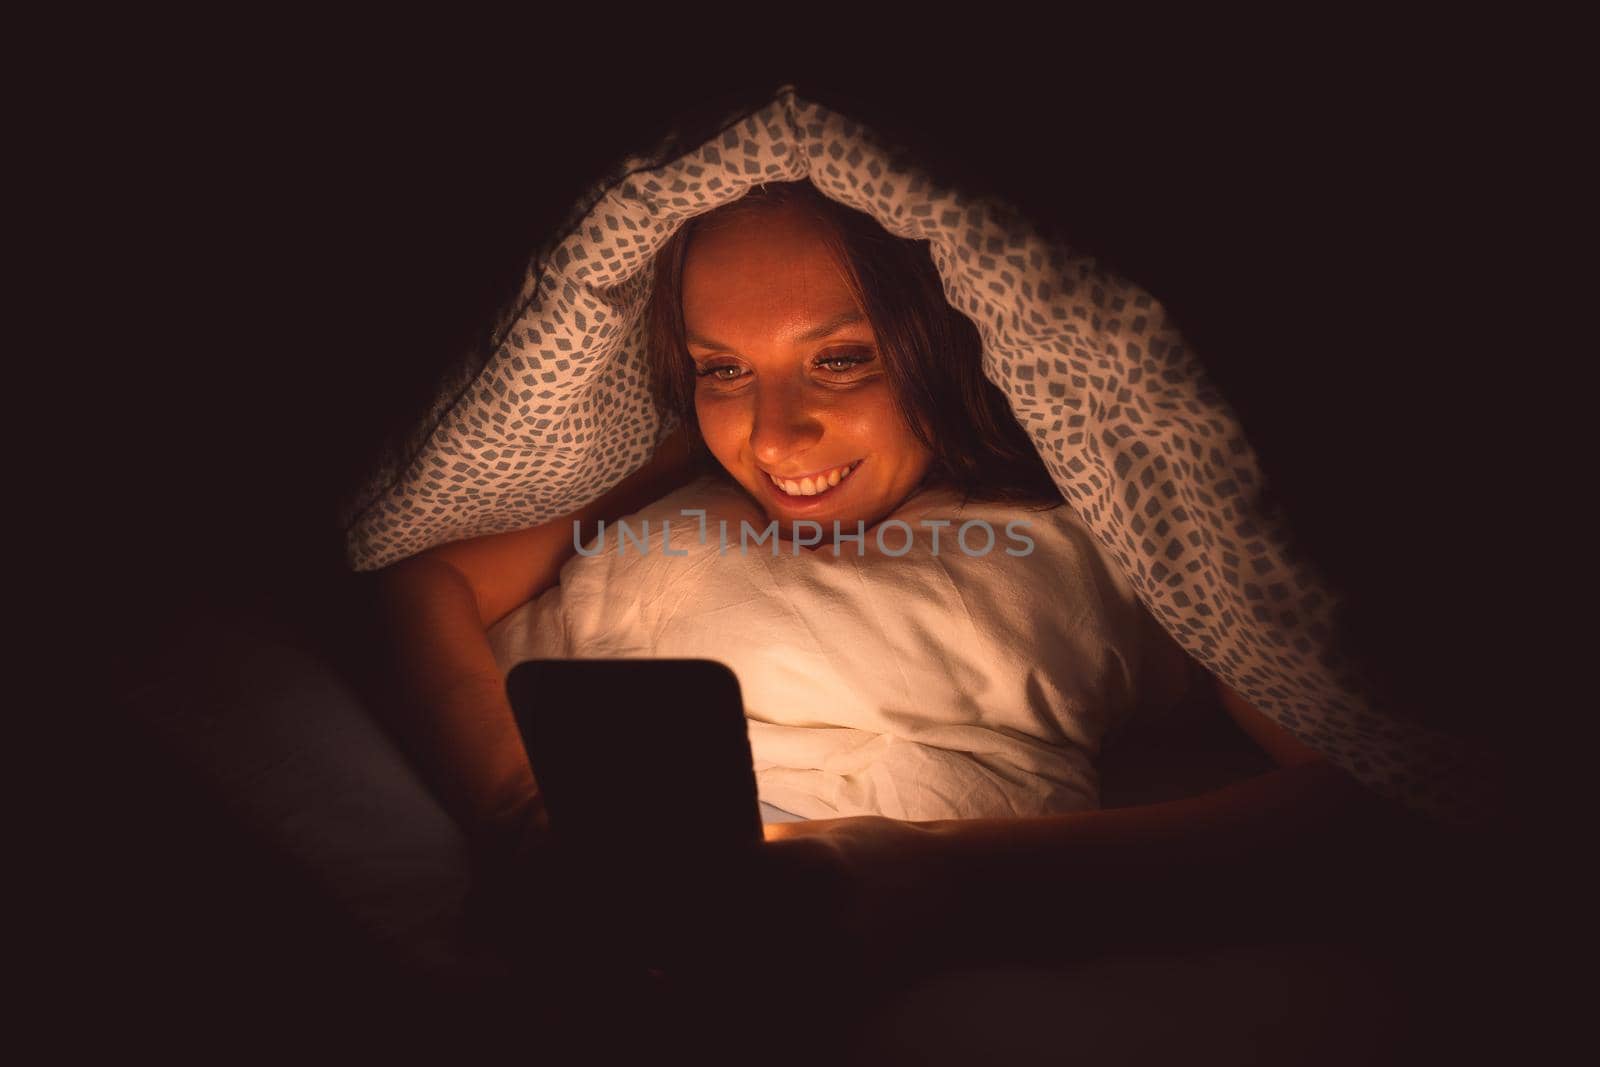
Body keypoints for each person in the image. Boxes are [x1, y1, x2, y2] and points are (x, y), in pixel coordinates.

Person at [371, 180, 1406, 985]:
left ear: (950, 340)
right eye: (722, 368)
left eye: (843, 358)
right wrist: (523, 808)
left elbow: (1367, 805)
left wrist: (940, 875)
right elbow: (424, 584)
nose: (773, 434)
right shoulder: (688, 465)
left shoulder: (1108, 530)